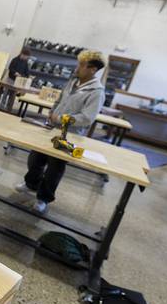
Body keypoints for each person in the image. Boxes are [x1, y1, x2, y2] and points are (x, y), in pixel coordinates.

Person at [16, 50, 106, 214]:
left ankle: (43, 198)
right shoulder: (73, 81)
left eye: (81, 65)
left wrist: (61, 118)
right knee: (35, 158)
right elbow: (59, 99)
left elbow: (87, 118)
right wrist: (52, 112)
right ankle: (31, 185)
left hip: (70, 135)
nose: (77, 68)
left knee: (54, 168)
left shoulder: (97, 92)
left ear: (92, 69)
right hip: (51, 129)